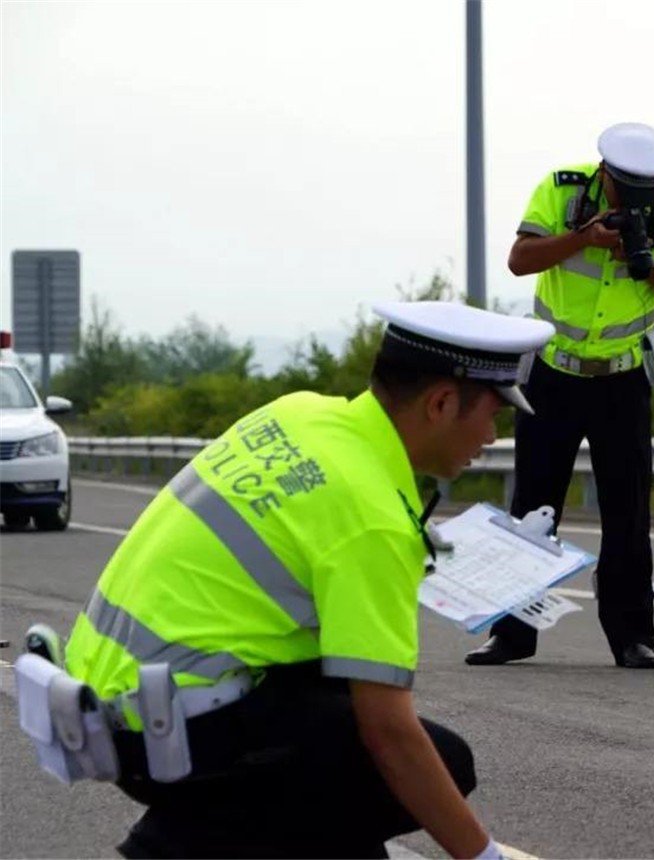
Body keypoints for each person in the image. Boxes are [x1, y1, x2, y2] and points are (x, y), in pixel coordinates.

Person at [55, 301, 554, 858]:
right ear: (440, 403)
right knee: (439, 761)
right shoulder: (372, 518)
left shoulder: (301, 414)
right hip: (171, 733)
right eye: (492, 415)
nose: (490, 435)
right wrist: (483, 856)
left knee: (331, 739)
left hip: (108, 700)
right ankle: (168, 848)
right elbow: (388, 733)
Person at [465, 122, 654, 670]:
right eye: (627, 193)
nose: (636, 205)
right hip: (554, 373)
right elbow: (520, 260)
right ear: (604, 174)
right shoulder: (563, 189)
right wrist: (584, 238)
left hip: (623, 379)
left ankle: (632, 636)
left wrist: (650, 265)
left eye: (647, 193)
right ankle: (512, 633)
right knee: (532, 505)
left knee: (628, 513)